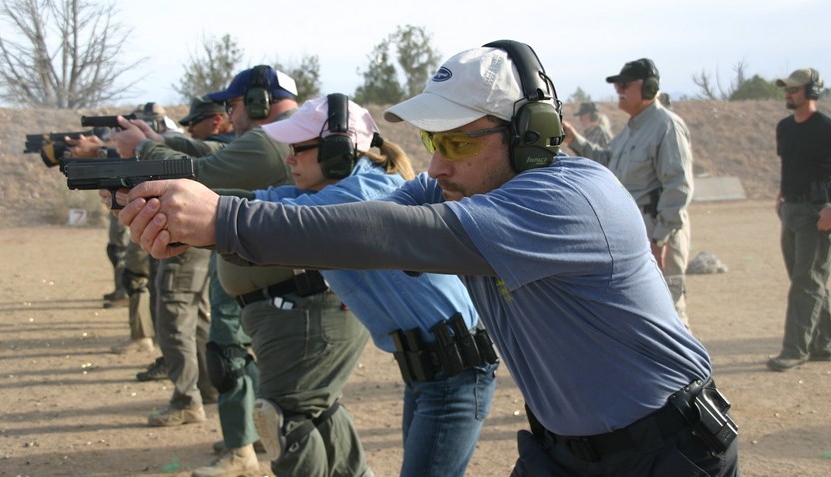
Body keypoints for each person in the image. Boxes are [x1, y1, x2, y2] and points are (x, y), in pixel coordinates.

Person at [115, 41, 738, 476]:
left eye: (458, 141)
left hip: (665, 451)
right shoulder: (467, 183)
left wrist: (222, 218)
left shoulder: (570, 198)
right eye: (434, 140)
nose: (436, 163)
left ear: (530, 135)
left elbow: (388, 232)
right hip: (564, 448)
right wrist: (198, 220)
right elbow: (345, 216)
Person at [117, 67, 373, 477]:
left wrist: (148, 154)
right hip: (287, 304)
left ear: (259, 101)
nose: (230, 114)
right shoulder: (288, 158)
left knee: (286, 416)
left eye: (234, 105)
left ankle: (241, 449)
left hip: (299, 308)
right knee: (314, 410)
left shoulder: (276, 146)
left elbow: (207, 175)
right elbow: (235, 186)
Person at [240, 94, 497, 477]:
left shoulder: (366, 193)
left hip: (456, 373)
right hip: (430, 373)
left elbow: (275, 218)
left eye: (299, 148)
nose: (289, 158)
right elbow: (268, 202)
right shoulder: (337, 194)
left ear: (337, 151)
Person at [563, 58, 694, 328]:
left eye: (624, 85)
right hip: (637, 230)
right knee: (643, 311)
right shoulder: (633, 129)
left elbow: (678, 186)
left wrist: (660, 240)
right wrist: (574, 139)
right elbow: (606, 162)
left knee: (669, 311)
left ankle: (688, 371)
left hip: (657, 231)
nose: (618, 90)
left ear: (648, 88)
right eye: (617, 85)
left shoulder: (666, 125)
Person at [767, 68, 831, 372]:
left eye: (794, 89)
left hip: (818, 212)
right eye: (786, 90)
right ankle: (824, 342)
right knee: (806, 280)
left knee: (807, 282)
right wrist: (781, 196)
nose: (788, 94)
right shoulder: (785, 127)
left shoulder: (826, 128)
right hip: (791, 210)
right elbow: (790, 166)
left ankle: (795, 350)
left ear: (812, 91)